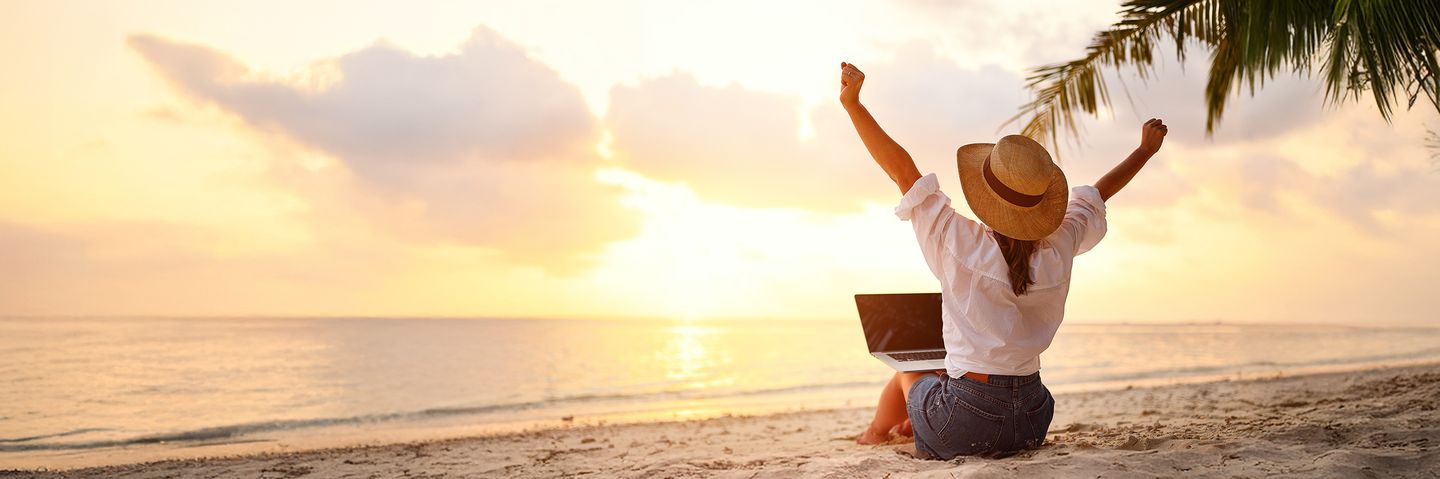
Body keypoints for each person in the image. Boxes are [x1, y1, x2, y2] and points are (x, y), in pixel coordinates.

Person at [838, 61, 1167, 459]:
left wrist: (852, 104)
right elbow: (1099, 193)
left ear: (986, 198)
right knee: (941, 382)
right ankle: (919, 426)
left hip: (970, 418)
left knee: (909, 373)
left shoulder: (956, 238)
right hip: (1031, 417)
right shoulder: (1059, 242)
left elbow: (901, 170)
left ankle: (875, 435)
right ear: (1041, 205)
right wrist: (1144, 151)